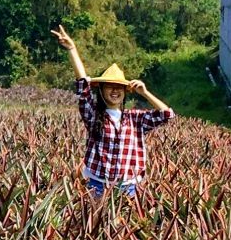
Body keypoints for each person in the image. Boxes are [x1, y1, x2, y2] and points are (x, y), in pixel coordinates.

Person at [51, 25, 174, 197]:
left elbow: (166, 114)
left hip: (129, 187)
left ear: (124, 93)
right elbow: (83, 86)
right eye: (110, 87)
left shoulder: (134, 119)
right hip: (97, 185)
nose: (115, 91)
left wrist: (145, 93)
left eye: (119, 88)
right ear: (101, 90)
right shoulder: (93, 115)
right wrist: (72, 49)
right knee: (94, 223)